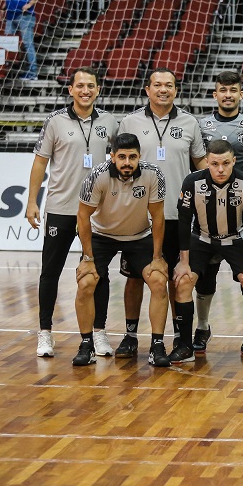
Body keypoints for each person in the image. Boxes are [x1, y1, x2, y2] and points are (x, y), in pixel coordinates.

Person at [26, 68, 118, 358]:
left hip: (98, 212)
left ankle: (99, 333)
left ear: (98, 89)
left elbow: (123, 162)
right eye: (80, 85)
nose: (85, 90)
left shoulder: (109, 122)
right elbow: (40, 163)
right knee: (50, 272)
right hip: (61, 208)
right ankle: (45, 334)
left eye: (90, 86)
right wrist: (32, 201)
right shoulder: (55, 121)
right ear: (71, 90)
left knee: (98, 273)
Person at [115, 68, 207, 357]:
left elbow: (201, 164)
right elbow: (119, 165)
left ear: (176, 90)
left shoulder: (190, 122)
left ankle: (180, 339)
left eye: (169, 85)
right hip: (139, 218)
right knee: (134, 278)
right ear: (147, 89)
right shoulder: (130, 122)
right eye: (157, 85)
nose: (163, 89)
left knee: (176, 278)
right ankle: (130, 336)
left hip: (178, 216)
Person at [73, 134, 170, 367]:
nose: (127, 162)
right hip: (102, 235)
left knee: (158, 280)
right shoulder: (97, 175)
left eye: (132, 157)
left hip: (138, 236)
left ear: (139, 157)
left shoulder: (153, 174)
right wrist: (87, 258)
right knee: (86, 282)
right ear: (112, 157)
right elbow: (83, 216)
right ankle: (87, 345)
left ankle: (157, 345)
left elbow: (157, 217)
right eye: (122, 157)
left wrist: (158, 257)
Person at [169, 140, 243, 365]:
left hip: (235, 238)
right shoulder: (192, 182)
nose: (220, 169)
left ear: (234, 161)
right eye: (214, 164)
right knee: (183, 280)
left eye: (225, 163)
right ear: (206, 163)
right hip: (201, 238)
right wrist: (183, 261)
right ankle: (185, 345)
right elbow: (183, 223)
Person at [193, 71, 243, 353]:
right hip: (206, 218)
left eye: (233, 90)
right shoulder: (202, 126)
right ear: (215, 94)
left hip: (241, 221)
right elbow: (196, 164)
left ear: (241, 94)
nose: (228, 95)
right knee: (204, 278)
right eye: (223, 90)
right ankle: (201, 328)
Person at [3, 0, 48, 80]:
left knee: (28, 44)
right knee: (7, 43)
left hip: (25, 16)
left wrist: (30, 4)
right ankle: (7, 70)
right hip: (11, 15)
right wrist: (4, 7)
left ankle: (33, 72)